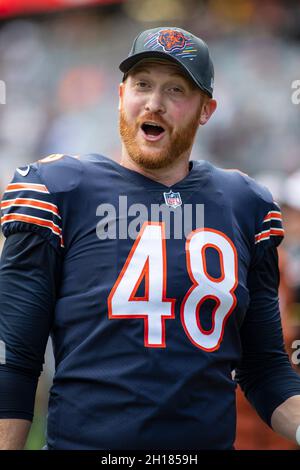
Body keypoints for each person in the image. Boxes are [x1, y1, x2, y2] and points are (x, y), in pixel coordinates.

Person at [0, 26, 300, 451]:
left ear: (205, 110)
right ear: (121, 93)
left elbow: (266, 370)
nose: (155, 103)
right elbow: (14, 360)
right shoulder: (60, 191)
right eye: (143, 84)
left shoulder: (244, 204)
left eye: (176, 90)